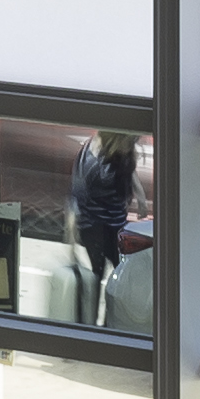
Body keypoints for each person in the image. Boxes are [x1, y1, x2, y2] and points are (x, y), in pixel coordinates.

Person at [64, 129, 141, 320]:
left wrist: (141, 197)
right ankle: (93, 323)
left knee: (121, 275)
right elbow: (74, 200)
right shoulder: (90, 161)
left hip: (116, 223)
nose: (131, 148)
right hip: (94, 225)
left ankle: (111, 320)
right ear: (117, 139)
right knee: (97, 273)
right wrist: (71, 241)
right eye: (129, 143)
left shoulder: (121, 152)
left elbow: (129, 171)